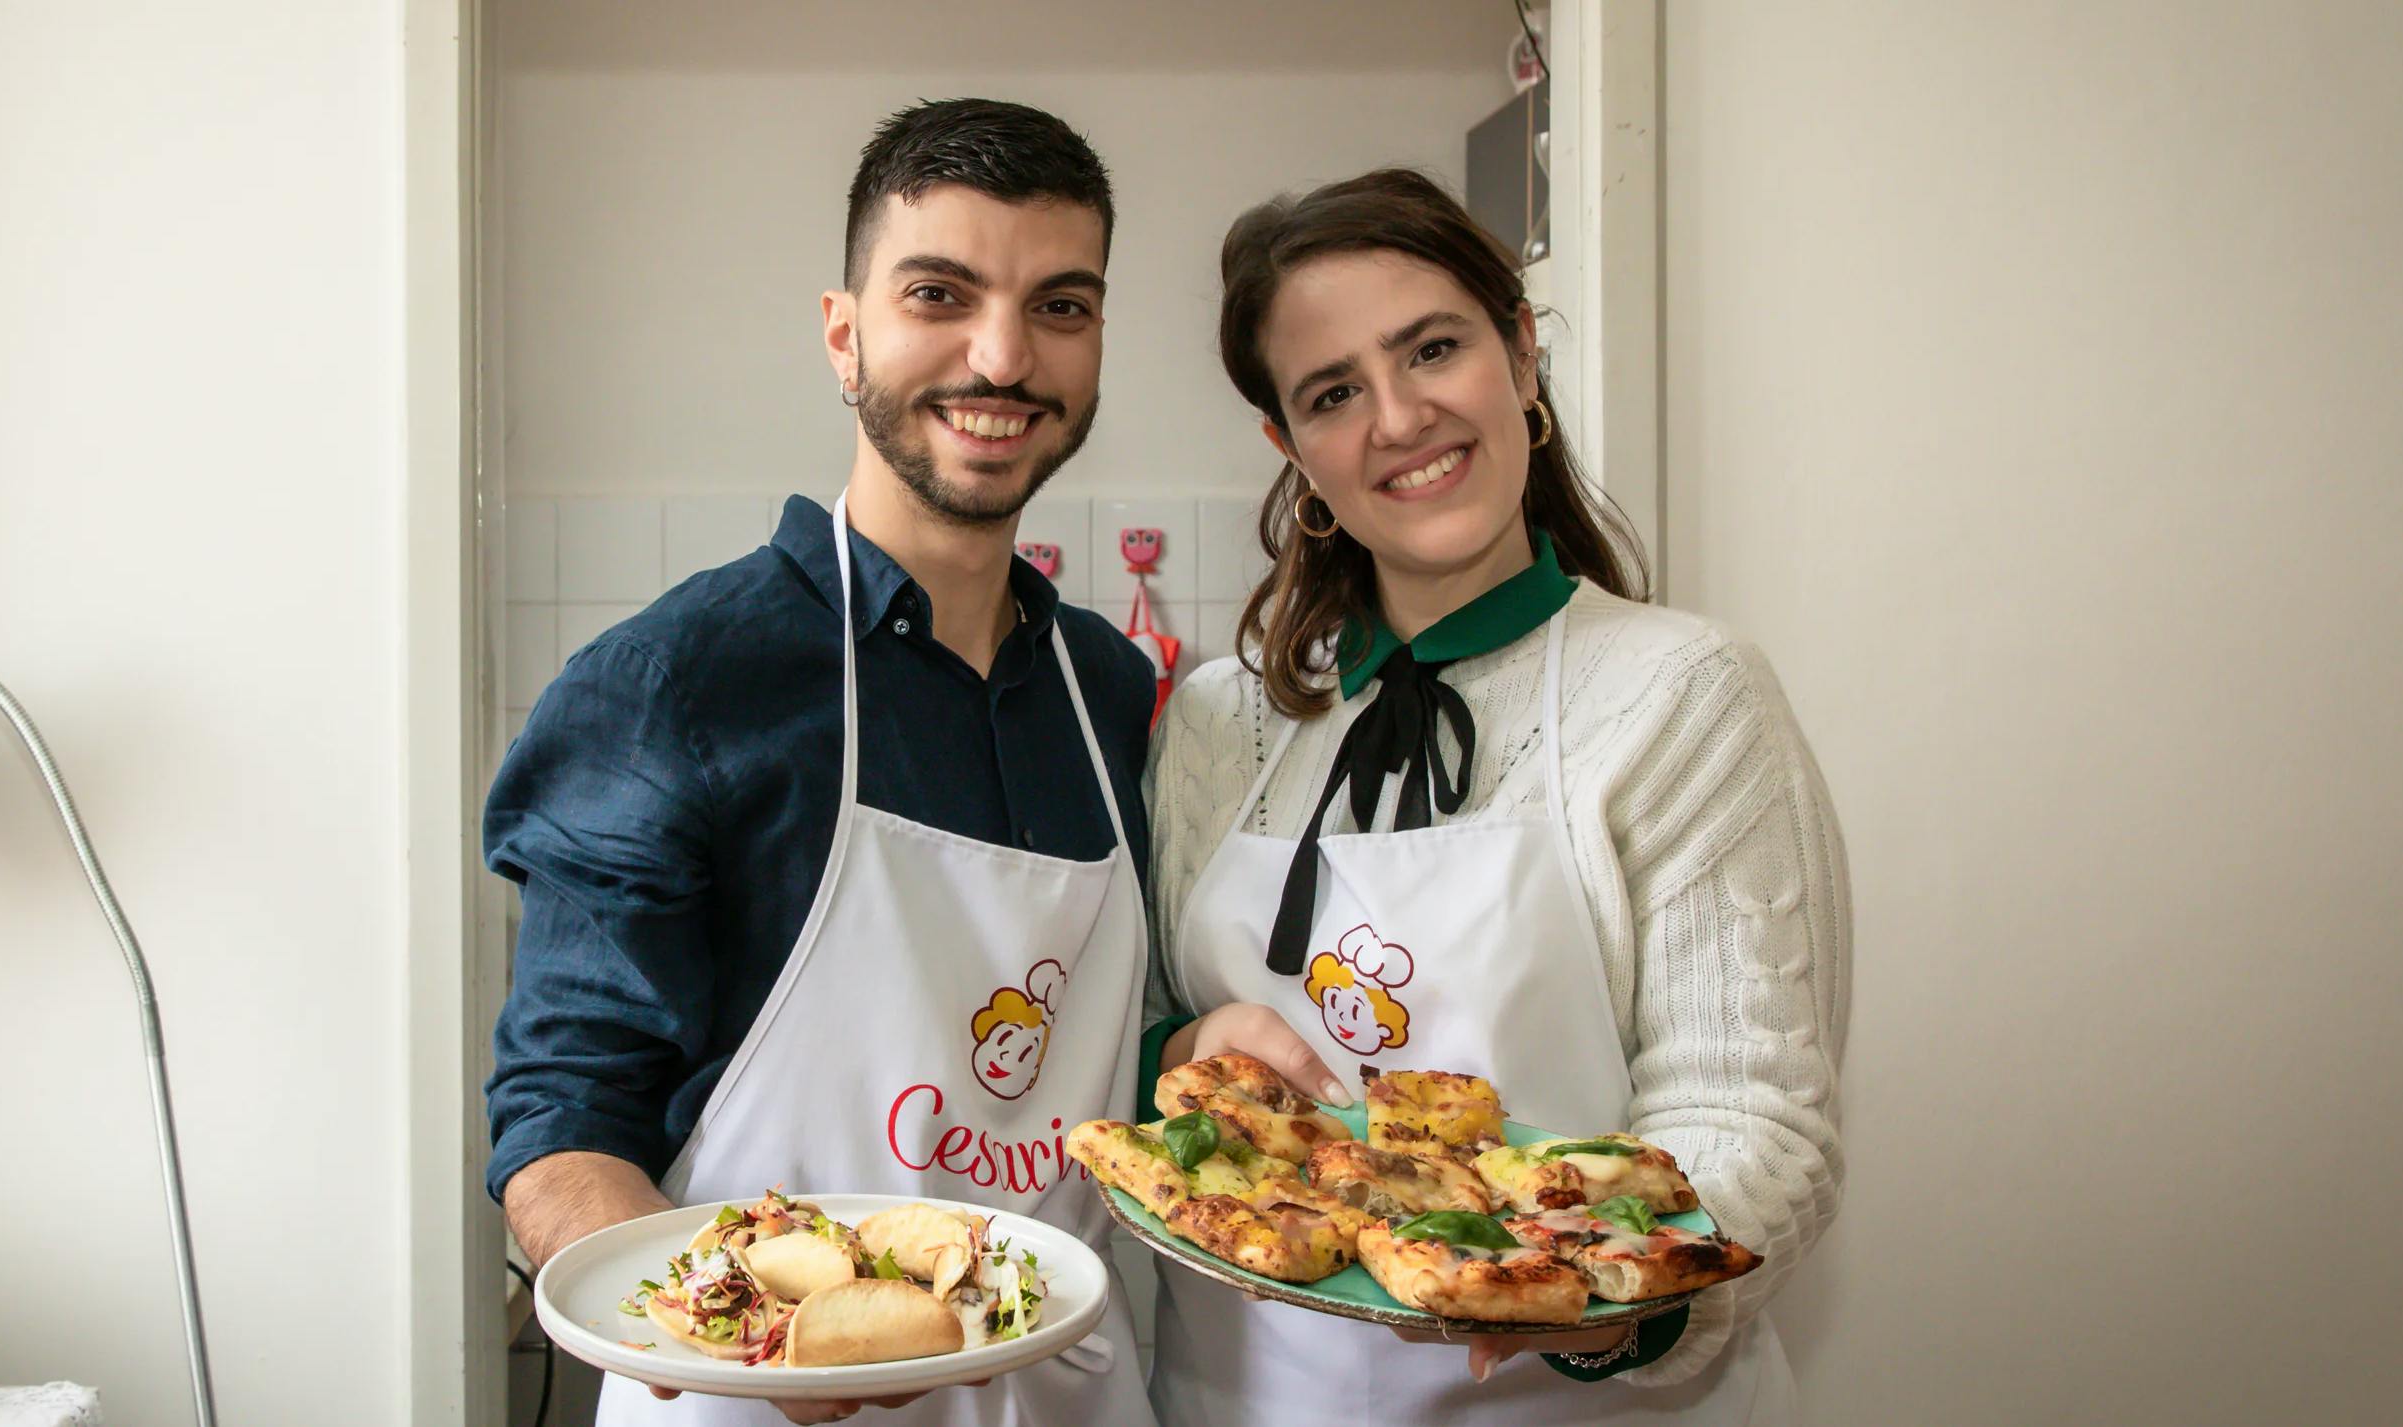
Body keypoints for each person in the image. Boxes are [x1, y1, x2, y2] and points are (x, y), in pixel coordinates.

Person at [482, 99, 1160, 1427]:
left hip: (1069, 1392)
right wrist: (737, 1344)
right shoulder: (672, 685)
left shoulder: (1111, 687)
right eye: (940, 293)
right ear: (845, 335)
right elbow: (562, 1120)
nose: (1003, 353)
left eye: (1060, 306)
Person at [1140, 167, 1849, 1426]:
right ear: (1290, 449)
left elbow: (1751, 1119)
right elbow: (1134, 1029)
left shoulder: (1682, 694)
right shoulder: (1214, 721)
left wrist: (1566, 1294)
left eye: (1432, 348)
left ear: (1519, 354)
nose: (1400, 416)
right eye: (1333, 392)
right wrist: (1185, 1051)